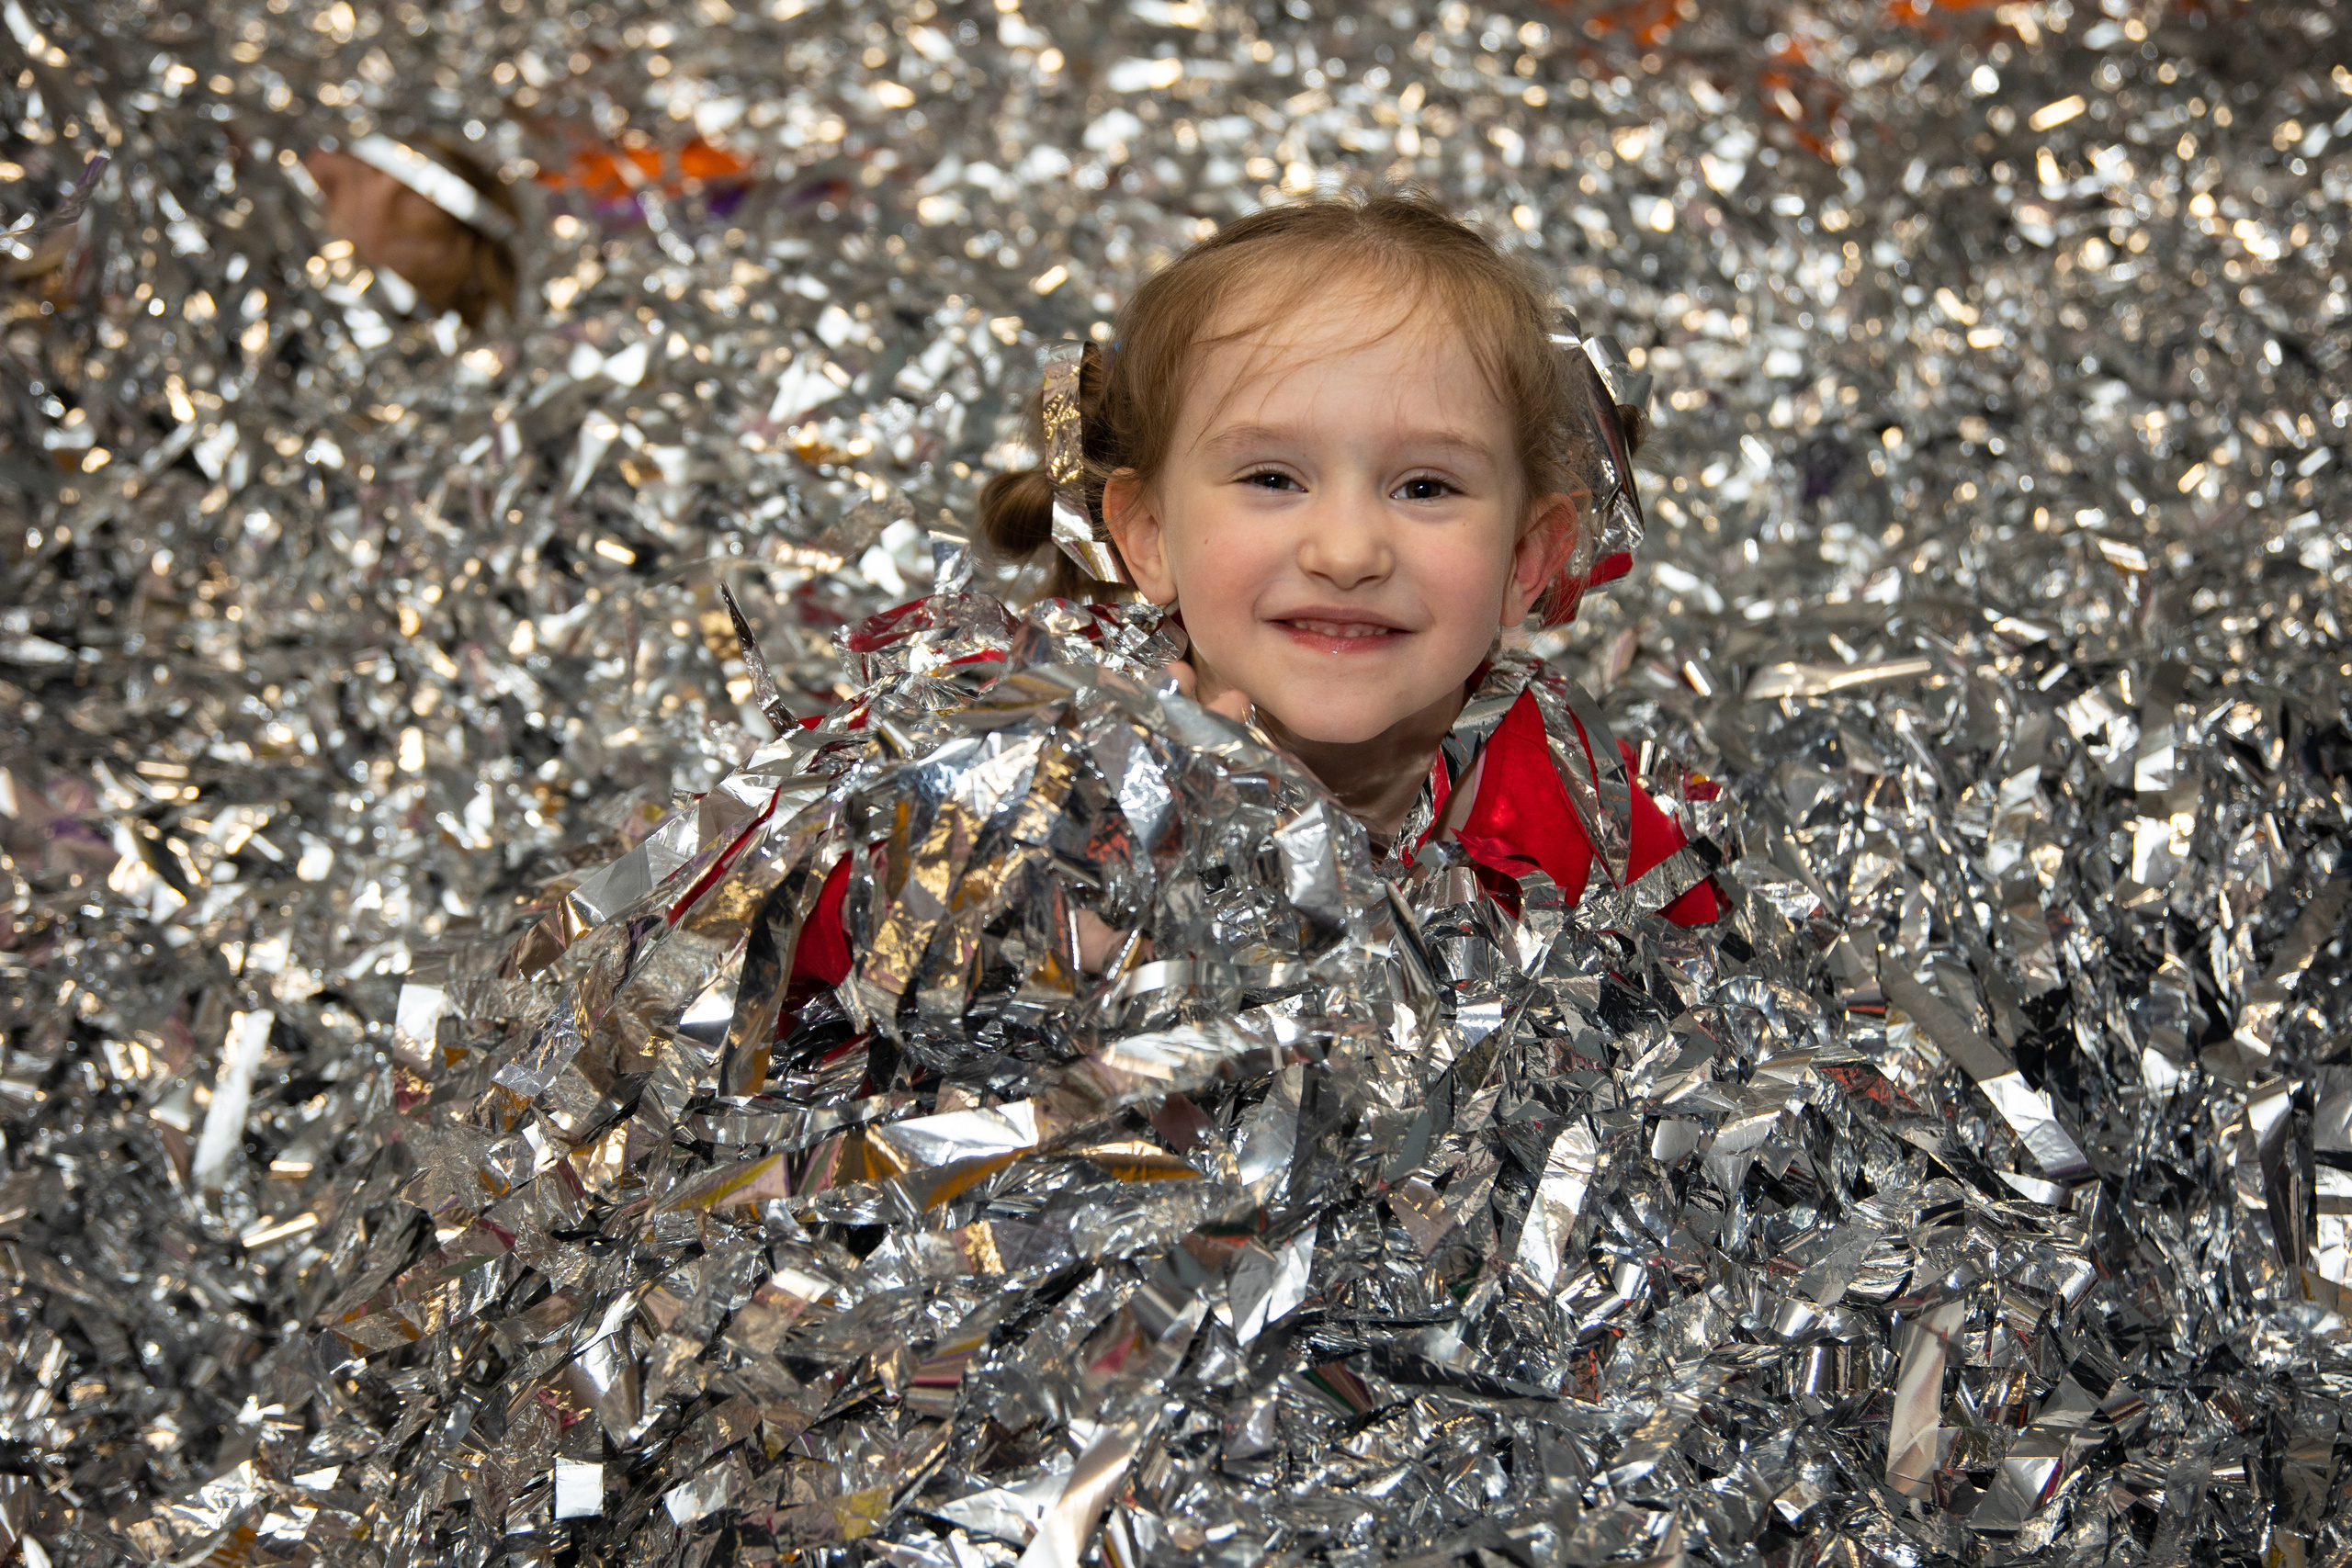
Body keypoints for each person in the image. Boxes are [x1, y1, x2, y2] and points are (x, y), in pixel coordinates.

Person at [783, 191, 1716, 1001]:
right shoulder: (1018, 738)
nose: (1346, 551)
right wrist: (1006, 901)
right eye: (1272, 478)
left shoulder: (1589, 817)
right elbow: (765, 931)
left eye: (1426, 487)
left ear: (1525, 558)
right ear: (1147, 534)